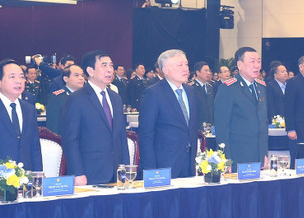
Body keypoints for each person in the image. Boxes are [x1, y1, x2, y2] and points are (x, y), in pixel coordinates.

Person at [61, 51, 129, 185]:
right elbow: (70, 140)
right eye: (104, 65)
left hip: (116, 173)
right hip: (89, 172)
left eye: (111, 65)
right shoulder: (77, 99)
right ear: (90, 71)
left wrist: (124, 169)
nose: (110, 70)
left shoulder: (116, 98)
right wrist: (77, 172)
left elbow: (121, 136)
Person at [0, 59, 43, 192]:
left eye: (21, 77)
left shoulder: (29, 109)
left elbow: (35, 147)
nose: (19, 81)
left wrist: (38, 180)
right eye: (12, 77)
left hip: (26, 186)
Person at [138, 50, 199, 178]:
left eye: (186, 64)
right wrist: (150, 170)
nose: (185, 69)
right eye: (179, 65)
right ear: (165, 70)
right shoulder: (153, 93)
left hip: (189, 163)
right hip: (164, 163)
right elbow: (146, 135)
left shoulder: (191, 91)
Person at [214, 47, 268, 165]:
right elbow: (222, 127)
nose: (257, 65)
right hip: (237, 155)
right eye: (252, 61)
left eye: (258, 61)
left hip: (258, 154)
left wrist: (264, 153)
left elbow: (263, 123)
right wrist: (225, 158)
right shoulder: (228, 89)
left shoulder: (261, 87)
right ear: (240, 64)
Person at [45, 65, 85, 134]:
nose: (81, 78)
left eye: (82, 75)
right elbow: (53, 126)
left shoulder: (87, 96)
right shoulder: (57, 98)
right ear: (66, 79)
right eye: (76, 75)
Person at [190, 61, 214, 126]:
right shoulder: (191, 88)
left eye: (209, 71)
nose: (208, 73)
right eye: (205, 71)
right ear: (198, 72)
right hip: (197, 125)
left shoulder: (210, 87)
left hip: (210, 125)